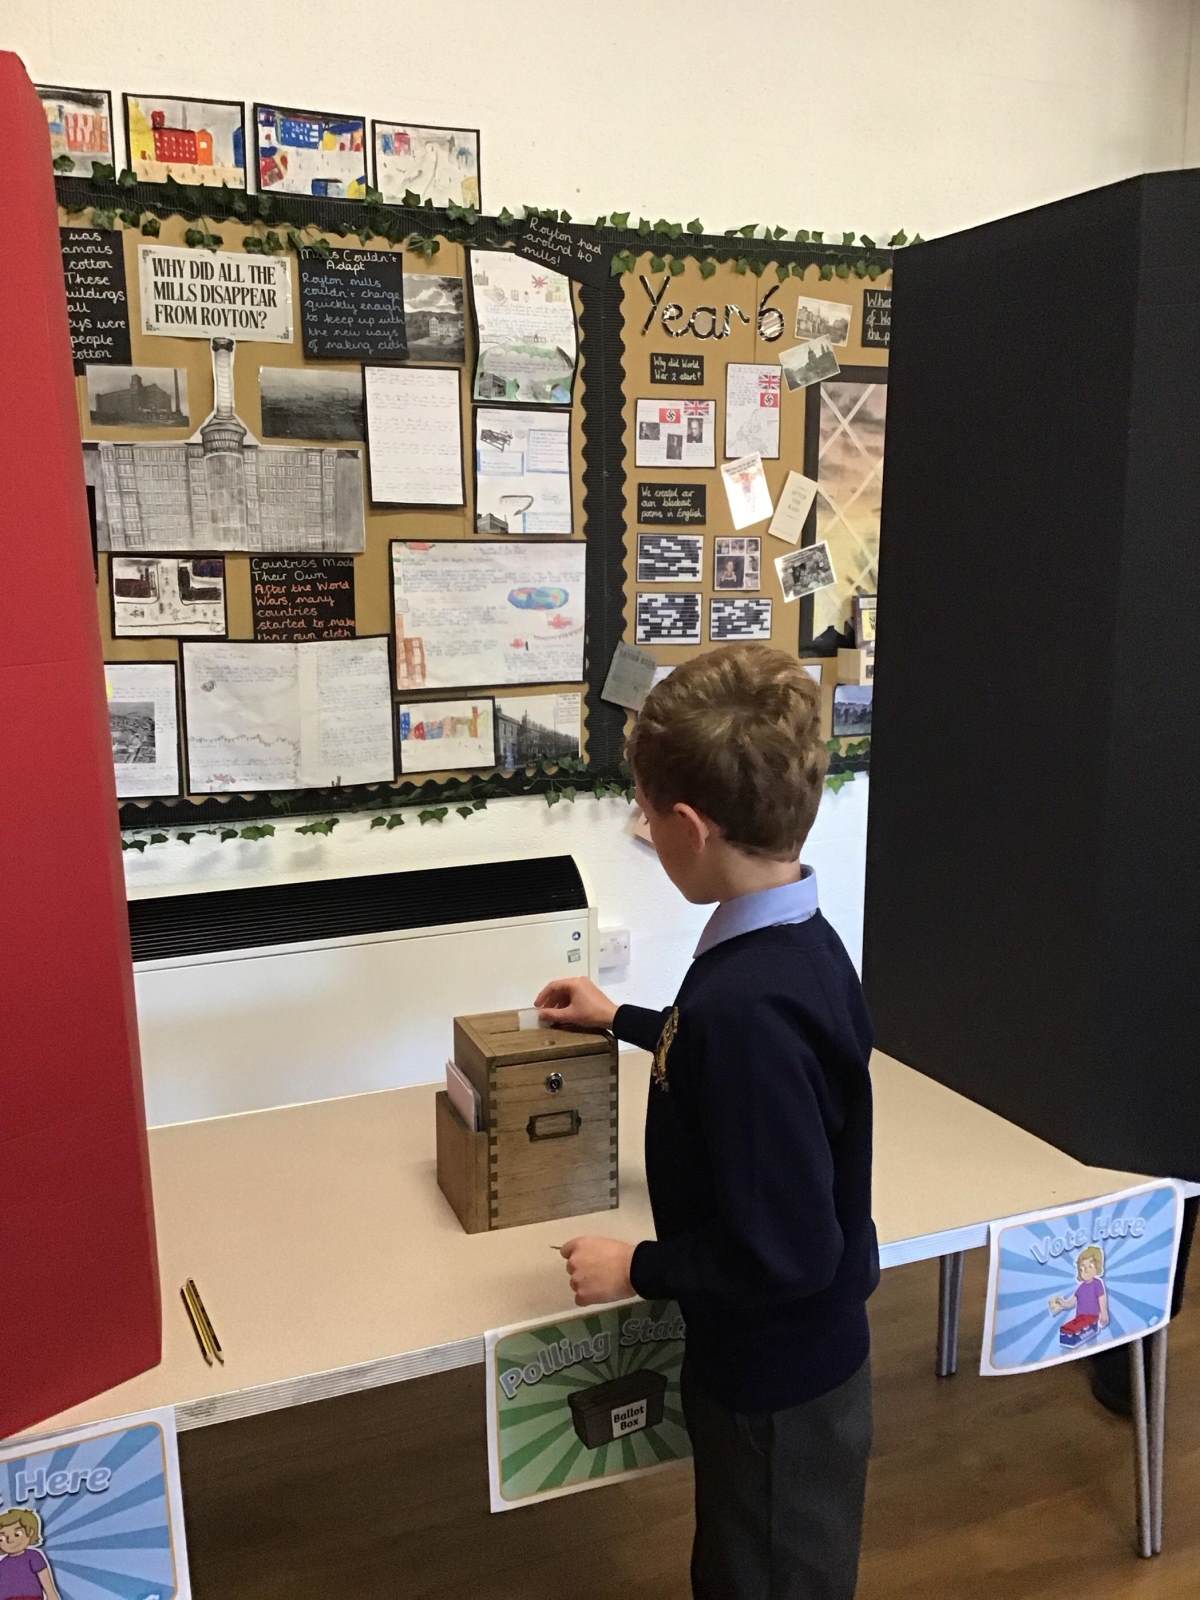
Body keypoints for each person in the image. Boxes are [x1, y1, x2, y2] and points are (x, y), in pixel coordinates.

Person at [536, 645, 878, 1600]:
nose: (644, 826)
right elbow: (749, 1070)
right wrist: (625, 1020)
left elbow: (789, 1254)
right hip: (799, 1366)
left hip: (776, 1386)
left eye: (644, 811)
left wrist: (637, 1269)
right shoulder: (796, 942)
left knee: (760, 1572)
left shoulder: (745, 1009)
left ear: (686, 826)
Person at [0, 1508, 61, 1600]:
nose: (10, 1540)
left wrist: (52, 1596)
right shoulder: (2, 1564)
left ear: (30, 1532)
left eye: (17, 1534)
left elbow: (46, 1582)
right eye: (2, 1538)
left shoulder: (33, 1556)